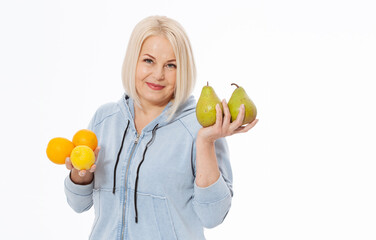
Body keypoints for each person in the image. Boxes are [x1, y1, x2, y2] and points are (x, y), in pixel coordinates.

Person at [64, 15, 258, 240]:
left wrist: (205, 142)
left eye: (171, 65)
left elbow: (213, 216)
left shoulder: (201, 126)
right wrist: (80, 176)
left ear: (183, 70)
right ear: (133, 61)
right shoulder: (105, 119)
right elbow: (78, 204)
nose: (158, 74)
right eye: (148, 60)